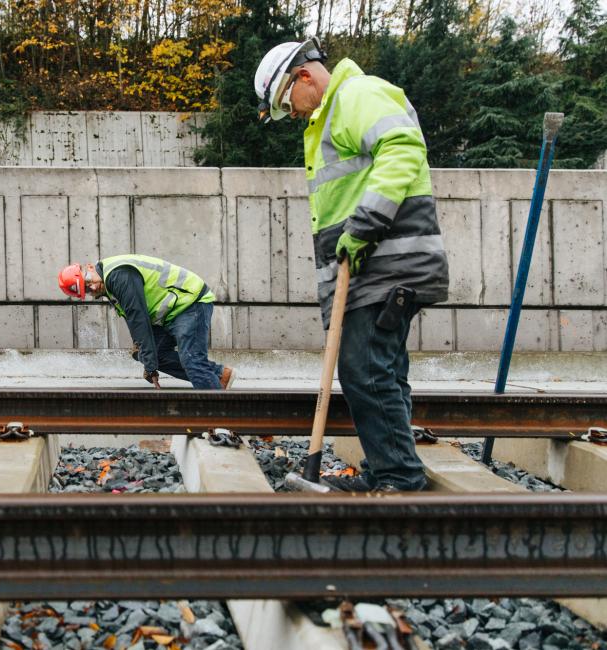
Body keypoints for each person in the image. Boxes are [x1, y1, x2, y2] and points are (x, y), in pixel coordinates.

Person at [254, 37, 449, 492]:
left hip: (388, 264)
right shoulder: (332, 113)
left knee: (364, 368)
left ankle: (399, 478)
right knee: (381, 370)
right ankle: (391, 470)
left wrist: (364, 226)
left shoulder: (356, 96)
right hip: (373, 269)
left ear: (304, 76)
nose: (293, 114)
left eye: (287, 104)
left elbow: (402, 148)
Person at [57, 255, 234, 390]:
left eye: (88, 281)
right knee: (145, 353)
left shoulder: (118, 275)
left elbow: (138, 318)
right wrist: (146, 356)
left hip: (189, 303)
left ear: (89, 267)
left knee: (192, 360)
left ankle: (220, 423)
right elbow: (135, 320)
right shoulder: (109, 285)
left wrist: (150, 367)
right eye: (87, 290)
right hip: (172, 313)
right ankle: (219, 375)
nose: (93, 288)